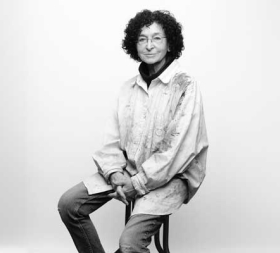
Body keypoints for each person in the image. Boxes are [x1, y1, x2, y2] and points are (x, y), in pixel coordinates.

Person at [58, 9, 209, 253]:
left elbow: (177, 151)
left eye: (157, 38)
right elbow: (111, 140)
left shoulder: (186, 86)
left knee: (129, 244)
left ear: (170, 43)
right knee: (69, 205)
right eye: (142, 39)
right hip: (127, 171)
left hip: (171, 178)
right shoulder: (128, 88)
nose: (149, 45)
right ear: (134, 44)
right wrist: (115, 174)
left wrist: (136, 184)